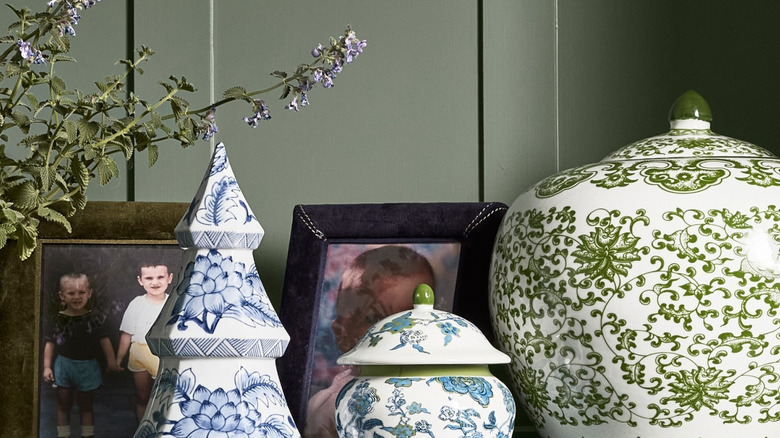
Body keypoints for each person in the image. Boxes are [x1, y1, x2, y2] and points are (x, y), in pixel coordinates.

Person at [304, 245, 436, 438]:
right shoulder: (335, 405)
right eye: (377, 319)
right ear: (343, 335)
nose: (400, 332)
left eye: (414, 318)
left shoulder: (439, 388)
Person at [42, 272, 120, 438]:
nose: (76, 297)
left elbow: (105, 342)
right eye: (71, 293)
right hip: (63, 366)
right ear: (62, 296)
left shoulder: (95, 319)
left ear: (89, 293)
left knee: (86, 406)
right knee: (63, 404)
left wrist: (112, 363)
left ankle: (87, 435)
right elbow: (50, 344)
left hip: (88, 367)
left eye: (81, 292)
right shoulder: (58, 320)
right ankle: (63, 435)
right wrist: (47, 367)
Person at [116, 262, 173, 422]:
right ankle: (142, 429)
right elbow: (126, 335)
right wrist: (119, 359)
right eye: (149, 278)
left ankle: (160, 429)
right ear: (140, 280)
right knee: (143, 396)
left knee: (163, 397)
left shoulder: (173, 304)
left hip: (163, 354)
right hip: (139, 353)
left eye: (160, 277)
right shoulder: (136, 304)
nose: (155, 282)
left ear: (169, 278)